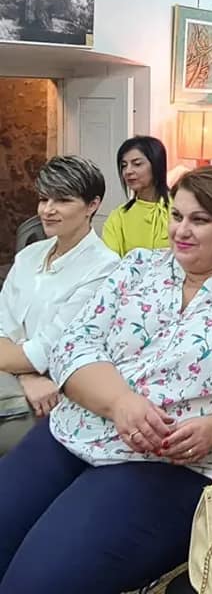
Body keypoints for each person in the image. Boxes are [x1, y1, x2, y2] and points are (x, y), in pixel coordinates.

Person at [0, 166, 212, 592]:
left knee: (34, 583)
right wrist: (119, 402)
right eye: (177, 216)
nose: (181, 230)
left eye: (199, 220)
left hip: (169, 465)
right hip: (73, 430)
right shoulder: (137, 269)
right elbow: (74, 343)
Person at [0, 156, 118, 454]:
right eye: (44, 199)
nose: (47, 210)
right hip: (14, 376)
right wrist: (25, 373)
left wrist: (29, 365)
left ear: (92, 205)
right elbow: (2, 325)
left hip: (61, 392)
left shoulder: (105, 268)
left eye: (62, 200)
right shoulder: (29, 256)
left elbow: (50, 351)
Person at [102, 136, 171, 254]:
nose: (128, 171)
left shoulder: (181, 210)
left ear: (157, 165)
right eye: (124, 165)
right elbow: (109, 260)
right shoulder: (118, 217)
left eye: (137, 164)